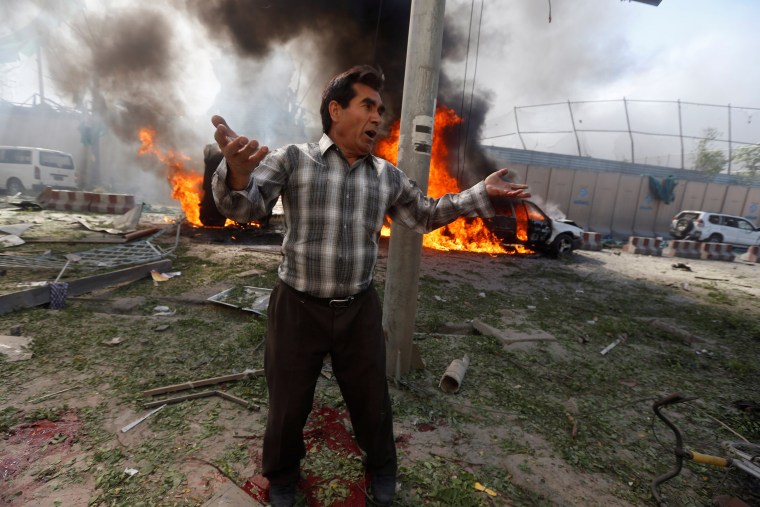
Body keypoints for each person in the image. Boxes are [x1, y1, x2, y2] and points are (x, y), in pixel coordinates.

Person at [211, 64, 530, 507]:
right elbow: (244, 209)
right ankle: (282, 478)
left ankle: (382, 469)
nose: (379, 118)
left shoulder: (386, 176)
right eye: (368, 106)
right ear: (336, 111)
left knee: (372, 401)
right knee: (287, 403)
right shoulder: (291, 159)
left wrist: (480, 192)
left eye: (380, 109)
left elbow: (425, 214)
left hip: (358, 307)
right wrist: (238, 174)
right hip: (297, 307)